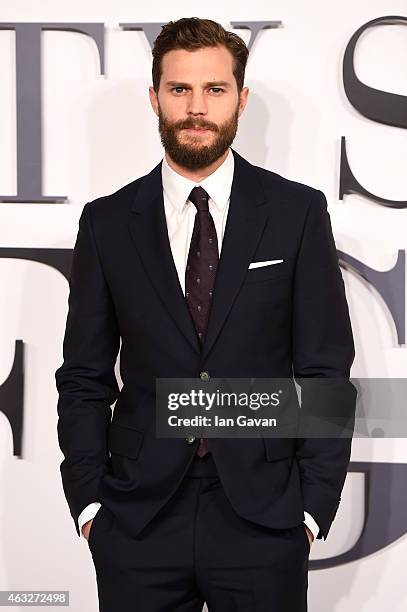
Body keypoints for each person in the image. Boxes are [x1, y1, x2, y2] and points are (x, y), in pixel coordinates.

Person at [55, 16, 356, 612]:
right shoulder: (107, 223)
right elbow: (85, 377)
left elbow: (324, 371)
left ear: (241, 99)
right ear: (155, 98)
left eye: (214, 90)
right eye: (180, 89)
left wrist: (311, 508)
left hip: (264, 517)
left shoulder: (296, 213)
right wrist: (91, 504)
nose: (197, 107)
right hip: (138, 520)